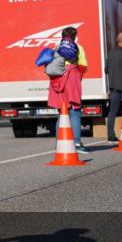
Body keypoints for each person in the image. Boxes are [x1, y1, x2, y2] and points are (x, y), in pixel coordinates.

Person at [47, 26, 89, 154]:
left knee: (62, 112)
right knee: (74, 112)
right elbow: (83, 66)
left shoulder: (56, 49)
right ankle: (76, 143)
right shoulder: (78, 48)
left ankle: (60, 142)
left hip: (57, 82)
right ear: (74, 36)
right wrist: (77, 78)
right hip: (71, 80)